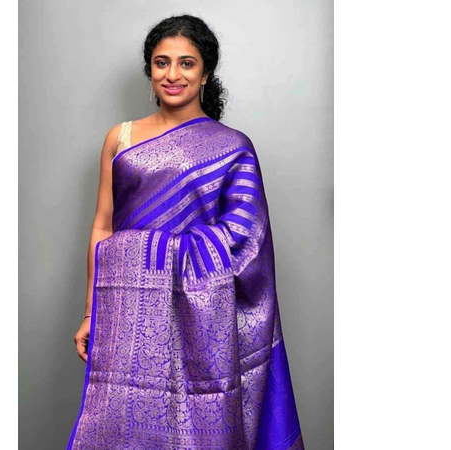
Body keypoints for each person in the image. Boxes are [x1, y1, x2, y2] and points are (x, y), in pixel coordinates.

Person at [67, 14, 305, 450]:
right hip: (127, 313)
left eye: (186, 63)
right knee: (120, 425)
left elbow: (246, 242)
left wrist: (154, 254)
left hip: (203, 319)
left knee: (196, 429)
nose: (172, 75)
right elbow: (103, 226)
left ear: (205, 72)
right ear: (150, 70)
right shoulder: (121, 138)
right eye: (162, 63)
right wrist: (90, 311)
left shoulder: (232, 146)